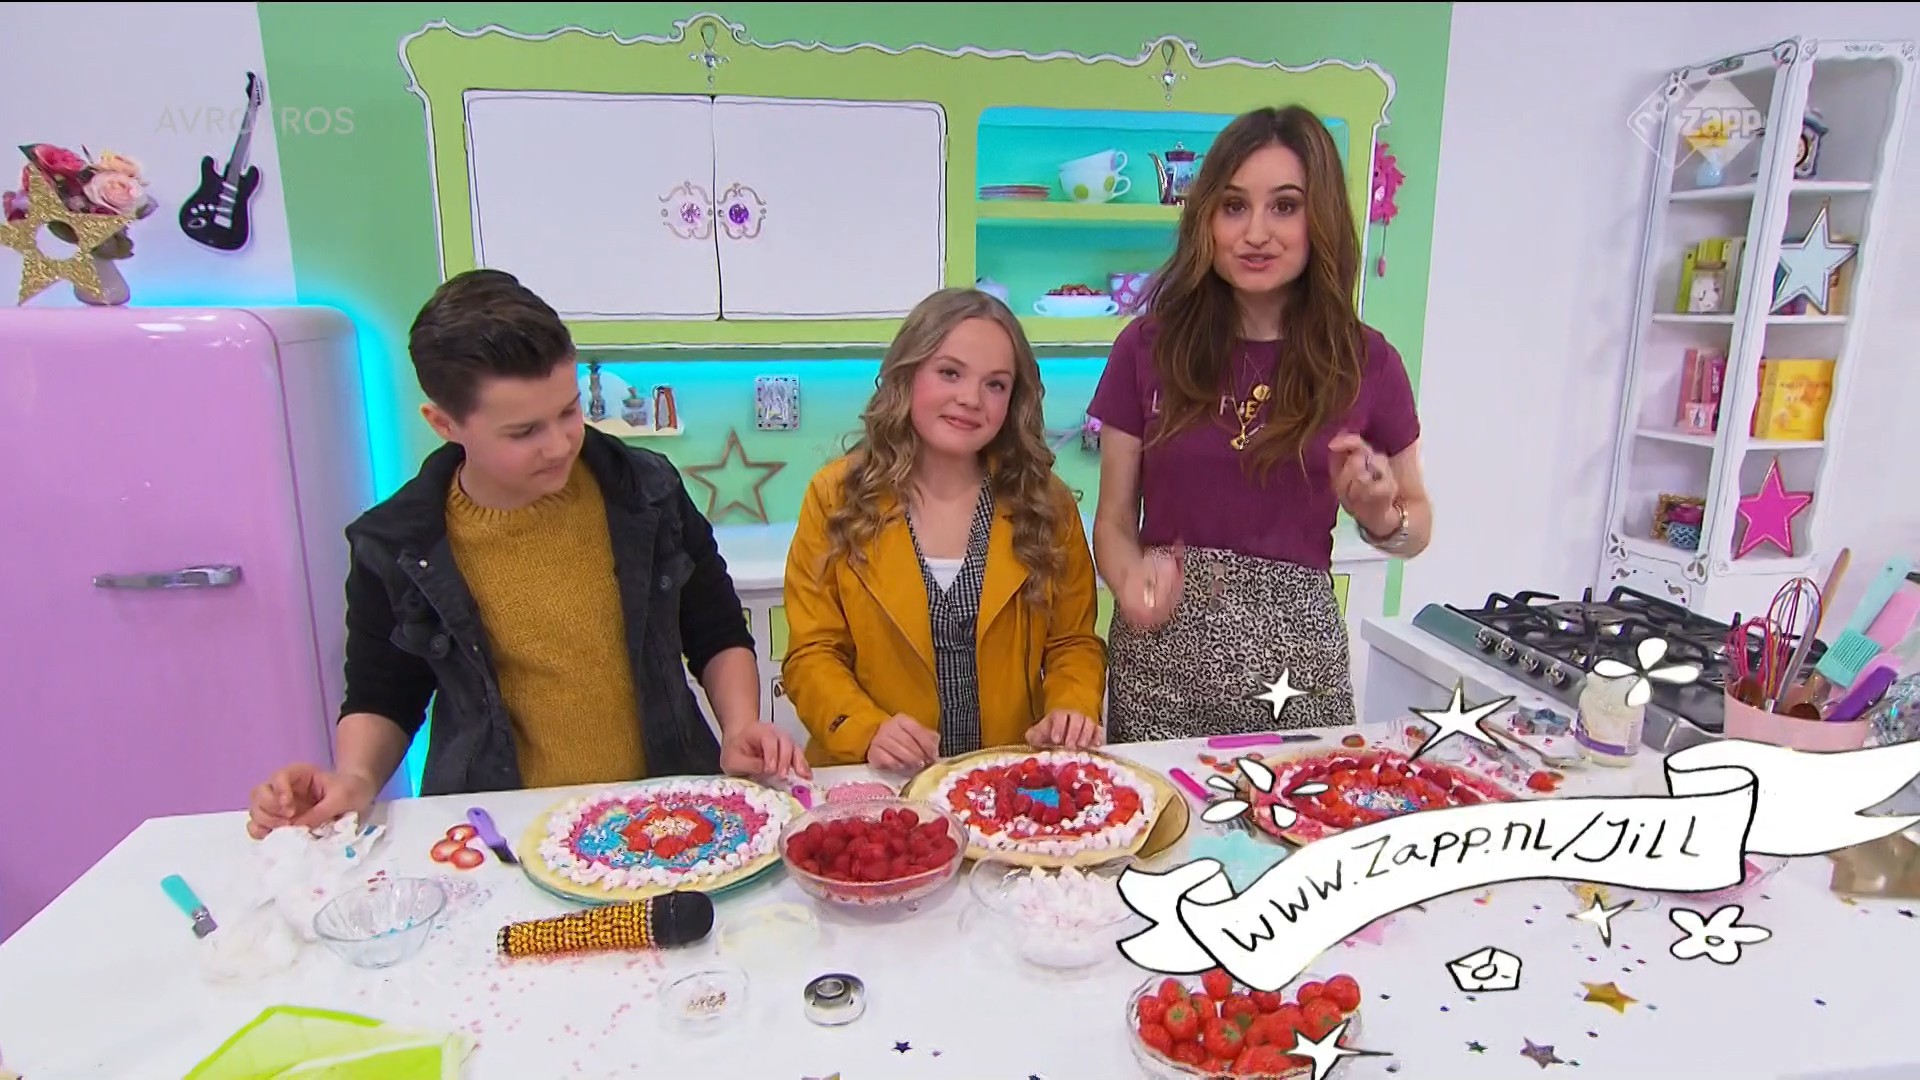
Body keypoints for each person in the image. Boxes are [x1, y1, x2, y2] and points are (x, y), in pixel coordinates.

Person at [246, 269, 806, 839]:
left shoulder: (648, 490)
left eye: (569, 411)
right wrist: (355, 777)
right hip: (498, 825)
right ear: (444, 423)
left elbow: (714, 629)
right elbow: (384, 693)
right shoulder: (396, 543)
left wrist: (740, 725)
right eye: (524, 432)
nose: (559, 445)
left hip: (661, 808)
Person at [1088, 105, 1432, 741]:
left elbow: (1416, 527)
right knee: (1159, 810)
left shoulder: (1367, 361)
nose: (1255, 233)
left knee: (1307, 805)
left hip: (1297, 669)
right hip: (1160, 666)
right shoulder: (1146, 348)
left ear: (1319, 217)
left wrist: (1381, 513)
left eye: (1284, 206)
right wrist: (1130, 579)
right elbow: (1112, 521)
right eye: (1233, 206)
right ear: (1206, 220)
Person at [781, 288, 1108, 771]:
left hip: (1008, 780)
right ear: (908, 374)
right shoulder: (835, 498)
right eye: (950, 373)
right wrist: (867, 730)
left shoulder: (1046, 504)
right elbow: (812, 653)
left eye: (995, 384)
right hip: (877, 780)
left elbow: (1072, 643)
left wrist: (1070, 709)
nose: (970, 399)